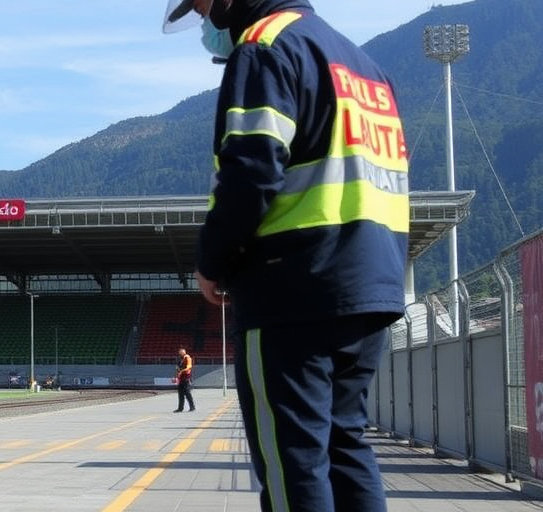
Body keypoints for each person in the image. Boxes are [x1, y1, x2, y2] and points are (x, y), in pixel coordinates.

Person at [164, 1, 408, 510]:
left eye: (204, 3)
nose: (205, 15)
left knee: (293, 462)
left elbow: (253, 167)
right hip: (371, 281)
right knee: (348, 447)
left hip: (293, 287)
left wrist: (213, 259)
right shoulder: (363, 66)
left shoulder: (265, 46)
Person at [173, 348, 195, 412]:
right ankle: (180, 408)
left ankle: (192, 407)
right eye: (179, 352)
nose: (180, 353)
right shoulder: (180, 359)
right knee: (180, 393)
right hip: (181, 377)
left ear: (184, 352)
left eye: (181, 352)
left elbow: (189, 366)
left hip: (186, 377)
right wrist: (176, 375)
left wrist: (182, 370)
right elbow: (178, 368)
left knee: (187, 393)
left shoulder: (187, 358)